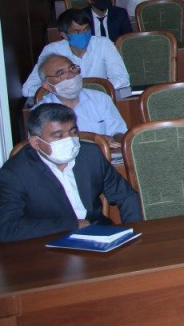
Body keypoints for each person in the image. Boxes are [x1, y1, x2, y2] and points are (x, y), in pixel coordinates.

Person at [0, 104, 141, 243]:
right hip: (46, 242)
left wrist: (133, 232)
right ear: (36, 142)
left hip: (97, 234)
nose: (69, 140)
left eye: (73, 132)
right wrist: (72, 225)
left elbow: (126, 196)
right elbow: (7, 228)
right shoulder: (14, 173)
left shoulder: (90, 155)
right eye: (58, 136)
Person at [22, 9, 130, 97]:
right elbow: (28, 89)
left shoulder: (103, 44)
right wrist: (63, 89)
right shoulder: (52, 51)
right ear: (64, 35)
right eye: (77, 32)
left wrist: (88, 89)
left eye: (86, 30)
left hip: (98, 98)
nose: (84, 35)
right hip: (64, 103)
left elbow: (123, 79)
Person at [36, 55, 127, 145]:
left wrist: (112, 140)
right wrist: (95, 140)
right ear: (48, 86)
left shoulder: (101, 99)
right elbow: (40, 147)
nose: (71, 75)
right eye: (61, 73)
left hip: (102, 156)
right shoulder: (40, 112)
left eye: (72, 68)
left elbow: (119, 132)